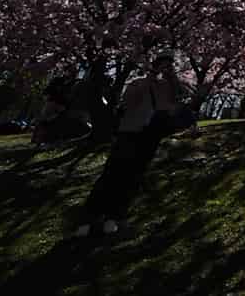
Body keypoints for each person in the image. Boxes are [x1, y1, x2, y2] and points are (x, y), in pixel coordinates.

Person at [75, 52, 193, 236]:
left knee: (134, 175)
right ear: (154, 64)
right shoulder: (137, 82)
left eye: (169, 65)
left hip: (151, 134)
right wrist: (150, 80)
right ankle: (90, 216)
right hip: (130, 131)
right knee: (112, 172)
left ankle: (114, 216)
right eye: (162, 64)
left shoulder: (169, 86)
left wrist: (172, 78)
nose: (165, 67)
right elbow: (128, 102)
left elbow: (181, 97)